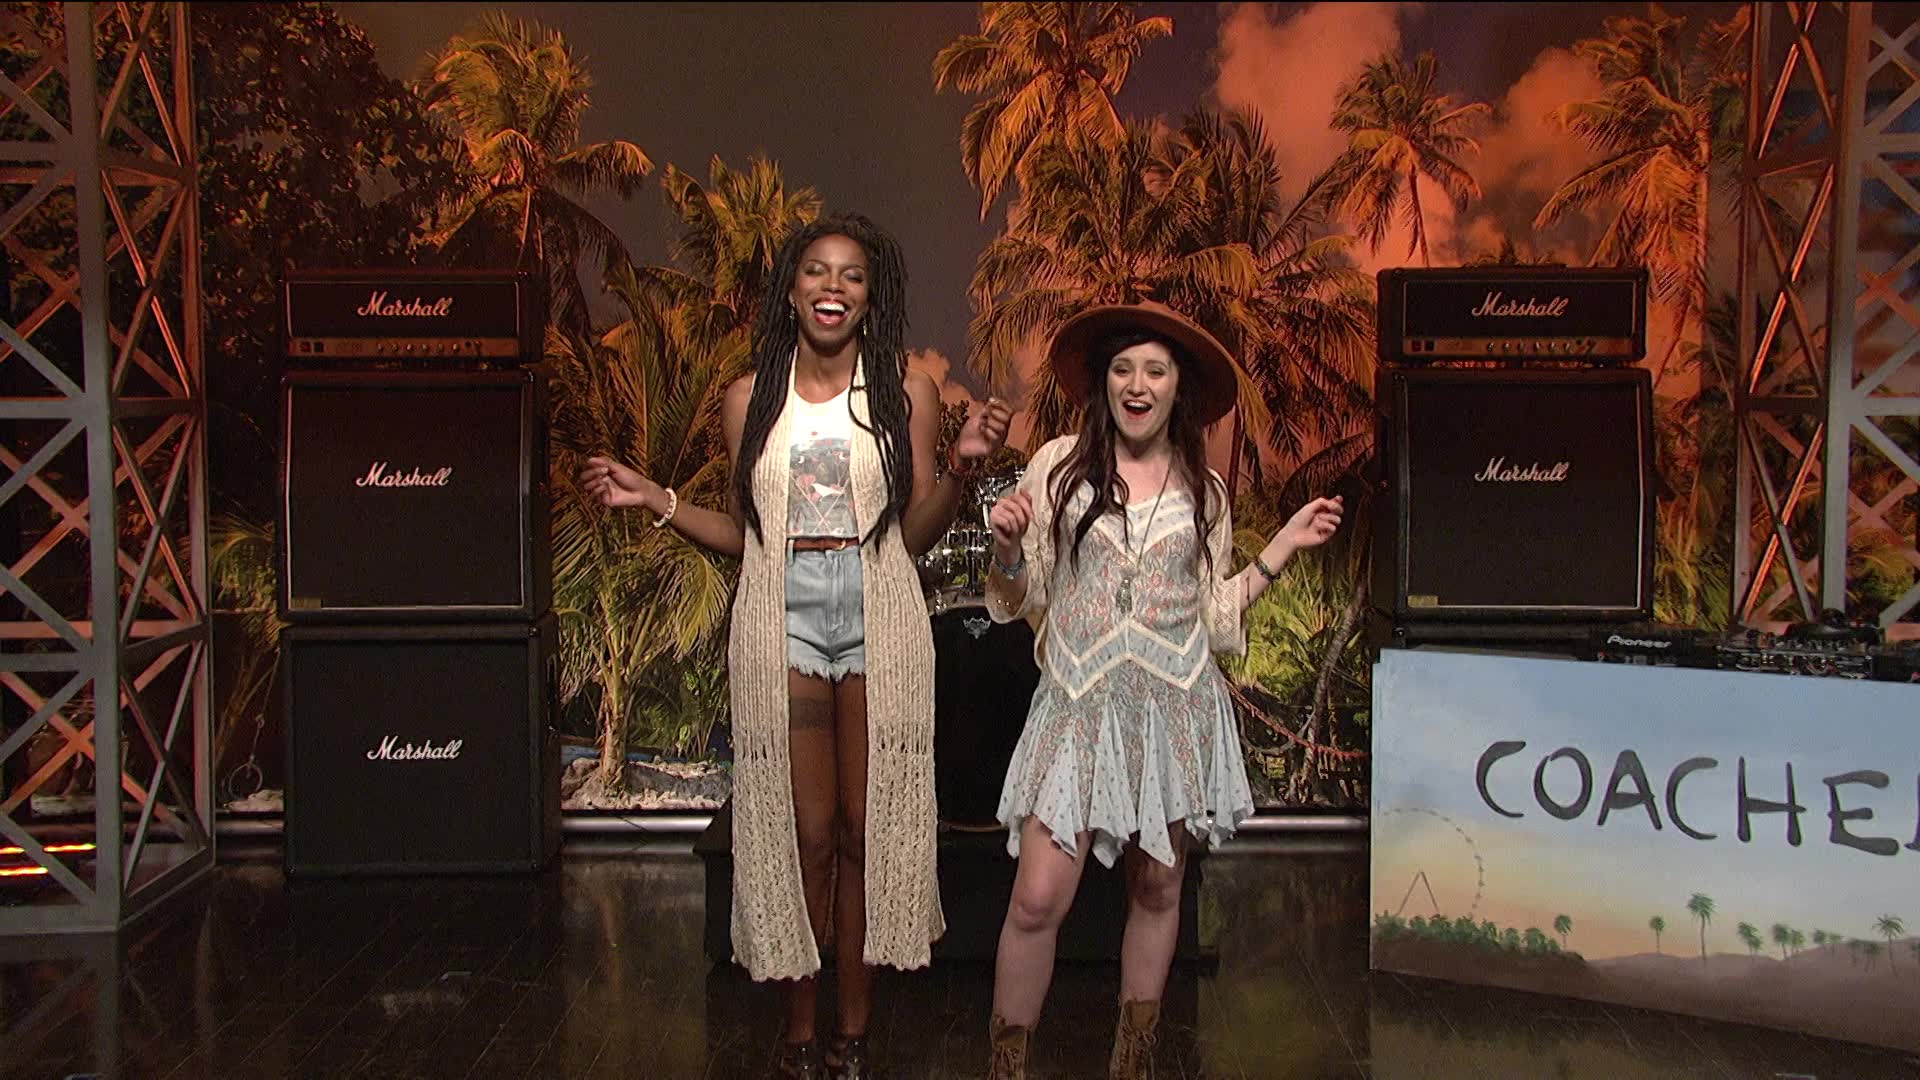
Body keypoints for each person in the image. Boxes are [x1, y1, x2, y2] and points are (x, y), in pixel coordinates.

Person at [580, 212, 1011, 1079]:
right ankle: (800, 1034)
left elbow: (915, 534)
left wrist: (964, 467)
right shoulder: (750, 400)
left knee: (861, 832)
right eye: (817, 271)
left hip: (878, 609)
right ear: (791, 291)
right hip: (786, 614)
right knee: (807, 833)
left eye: (852, 274)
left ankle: (852, 1035)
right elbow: (748, 535)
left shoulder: (907, 391)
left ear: (870, 297)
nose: (833, 287)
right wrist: (656, 499)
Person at [978, 302, 1343, 1079]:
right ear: (1103, 383)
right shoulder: (1057, 468)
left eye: (1154, 370)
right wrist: (1007, 547)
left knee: (1157, 890)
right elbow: (1021, 593)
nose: (1137, 385)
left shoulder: (1203, 491)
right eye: (1123, 369)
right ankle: (1006, 1066)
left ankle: (1132, 1062)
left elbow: (1211, 614)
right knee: (1036, 898)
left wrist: (1282, 545)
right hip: (1078, 708)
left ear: (1179, 387)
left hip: (1172, 711)